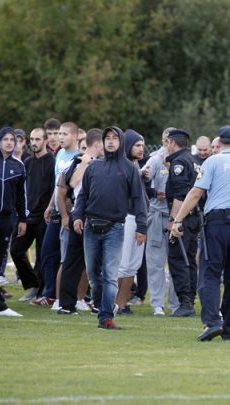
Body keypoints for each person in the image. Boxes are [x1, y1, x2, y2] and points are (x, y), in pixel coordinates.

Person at [170, 125, 230, 342]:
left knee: (210, 273)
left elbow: (195, 193)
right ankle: (229, 328)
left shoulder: (212, 162)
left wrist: (178, 220)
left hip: (217, 223)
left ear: (219, 141)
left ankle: (212, 322)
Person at [72, 126, 147, 330]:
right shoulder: (94, 167)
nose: (111, 141)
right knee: (94, 277)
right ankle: (102, 305)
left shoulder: (130, 168)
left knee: (110, 275)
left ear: (121, 142)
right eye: (107, 138)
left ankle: (105, 317)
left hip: (115, 228)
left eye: (115, 138)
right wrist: (77, 216)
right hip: (90, 227)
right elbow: (83, 196)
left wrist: (142, 227)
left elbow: (139, 200)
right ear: (103, 142)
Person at [56, 129, 103, 314]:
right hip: (83, 214)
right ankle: (67, 304)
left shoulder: (100, 163)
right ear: (98, 144)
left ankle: (96, 303)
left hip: (94, 214)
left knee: (92, 262)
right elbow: (71, 184)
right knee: (75, 261)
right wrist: (85, 163)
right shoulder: (79, 161)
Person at [35, 122, 79, 306]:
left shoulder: (78, 157)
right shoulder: (60, 154)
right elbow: (57, 185)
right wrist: (50, 205)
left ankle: (68, 296)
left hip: (69, 211)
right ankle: (50, 293)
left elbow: (71, 188)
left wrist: (66, 214)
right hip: (56, 209)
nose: (60, 137)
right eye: (59, 133)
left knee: (66, 255)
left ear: (75, 136)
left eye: (65, 134)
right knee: (47, 252)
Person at [0, 127, 27, 316]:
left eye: (12, 140)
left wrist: (22, 219)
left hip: (7, 219)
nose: (9, 142)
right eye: (6, 139)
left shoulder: (18, 165)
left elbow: (21, 196)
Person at [10, 128, 55, 301]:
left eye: (38, 139)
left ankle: (41, 291)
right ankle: (32, 284)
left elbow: (54, 188)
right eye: (32, 139)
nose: (34, 143)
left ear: (45, 141)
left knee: (43, 255)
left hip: (44, 216)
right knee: (16, 250)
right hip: (26, 217)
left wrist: (49, 209)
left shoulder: (52, 161)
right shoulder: (27, 162)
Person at [141, 128, 180, 316]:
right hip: (158, 214)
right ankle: (157, 304)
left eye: (172, 141)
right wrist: (154, 191)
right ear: (163, 141)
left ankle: (175, 304)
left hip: (178, 219)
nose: (168, 144)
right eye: (166, 140)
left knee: (176, 263)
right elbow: (143, 180)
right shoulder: (155, 160)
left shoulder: (184, 160)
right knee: (155, 262)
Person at [165, 128, 203, 317]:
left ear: (172, 142)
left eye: (167, 142)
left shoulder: (179, 162)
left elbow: (180, 195)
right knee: (190, 260)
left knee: (178, 259)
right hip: (195, 216)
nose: (166, 146)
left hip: (184, 218)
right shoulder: (194, 160)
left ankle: (185, 302)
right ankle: (190, 300)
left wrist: (174, 222)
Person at [115, 129, 148, 315]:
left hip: (139, 218)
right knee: (124, 263)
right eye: (137, 145)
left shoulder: (135, 166)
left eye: (143, 145)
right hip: (127, 218)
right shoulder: (124, 166)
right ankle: (117, 303)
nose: (141, 148)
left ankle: (122, 304)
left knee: (133, 265)